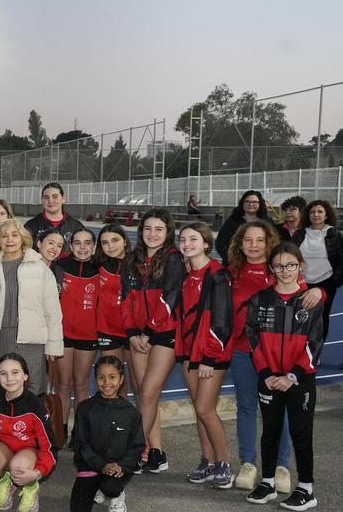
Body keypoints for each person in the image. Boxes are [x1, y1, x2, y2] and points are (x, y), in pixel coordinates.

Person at [226, 220, 316, 494]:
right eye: (248, 240)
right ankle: (249, 464)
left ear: (269, 243)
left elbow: (306, 293)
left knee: (284, 411)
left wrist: (319, 290)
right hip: (244, 352)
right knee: (247, 408)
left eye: (260, 240)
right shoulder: (231, 273)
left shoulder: (282, 269)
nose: (254, 245)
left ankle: (281, 466)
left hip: (281, 356)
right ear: (240, 243)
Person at [245, 243, 324, 511]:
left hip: (300, 379)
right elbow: (252, 339)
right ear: (271, 269)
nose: (285, 270)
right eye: (279, 266)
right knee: (270, 432)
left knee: (301, 433)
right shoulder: (260, 299)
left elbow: (315, 344)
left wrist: (292, 375)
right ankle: (267, 482)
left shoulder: (310, 300)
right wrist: (266, 373)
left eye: (291, 265)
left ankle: (306, 488)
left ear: (300, 265)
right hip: (268, 378)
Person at [121, 209, 183, 474]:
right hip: (138, 335)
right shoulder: (131, 260)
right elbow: (125, 299)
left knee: (147, 393)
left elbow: (170, 298)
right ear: (141, 231)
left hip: (163, 334)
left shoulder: (173, 259)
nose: (153, 234)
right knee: (146, 396)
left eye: (159, 229)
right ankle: (155, 452)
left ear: (168, 232)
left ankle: (133, 452)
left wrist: (147, 331)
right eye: (148, 228)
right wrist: (133, 333)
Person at [0, 218, 63, 397]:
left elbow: (52, 310)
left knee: (32, 393)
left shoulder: (40, 268)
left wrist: (54, 345)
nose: (9, 240)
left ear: (23, 238)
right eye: (4, 236)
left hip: (31, 341)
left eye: (15, 235)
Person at [174, 223, 234, 488]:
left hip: (211, 353)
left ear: (206, 243)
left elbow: (222, 320)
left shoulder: (217, 274)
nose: (187, 243)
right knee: (199, 409)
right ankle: (207, 462)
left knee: (204, 408)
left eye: (193, 239)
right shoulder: (187, 274)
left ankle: (223, 464)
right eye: (183, 239)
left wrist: (210, 357)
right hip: (189, 351)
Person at [0, 354, 55, 512]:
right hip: (4, 447)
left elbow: (49, 447)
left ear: (25, 375)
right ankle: (5, 482)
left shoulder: (35, 406)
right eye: (3, 373)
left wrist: (37, 472)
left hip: (29, 451)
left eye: (15, 372)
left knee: (19, 467)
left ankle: (31, 488)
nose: (9, 378)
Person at [70, 356, 145, 512]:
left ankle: (116, 494)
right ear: (95, 379)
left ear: (121, 379)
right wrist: (101, 465)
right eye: (101, 377)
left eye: (112, 377)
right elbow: (80, 442)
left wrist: (121, 466)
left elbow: (137, 446)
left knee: (111, 488)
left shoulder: (131, 413)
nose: (106, 383)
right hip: (91, 465)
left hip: (117, 469)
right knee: (79, 511)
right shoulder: (85, 408)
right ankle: (95, 486)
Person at [52, 228, 99, 442]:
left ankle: (80, 432)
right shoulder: (60, 266)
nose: (82, 247)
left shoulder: (100, 269)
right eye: (77, 243)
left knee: (81, 383)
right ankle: (59, 429)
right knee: (63, 383)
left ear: (94, 246)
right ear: (71, 247)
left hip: (88, 335)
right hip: (63, 334)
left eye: (87, 243)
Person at [293, 199, 343, 339]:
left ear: (326, 215)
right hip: (301, 283)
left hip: (326, 283)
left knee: (321, 318)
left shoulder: (334, 234)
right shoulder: (300, 233)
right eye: (313, 212)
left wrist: (335, 281)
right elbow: (290, 255)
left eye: (320, 211)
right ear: (308, 215)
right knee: (300, 317)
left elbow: (341, 260)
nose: (316, 214)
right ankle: (300, 350)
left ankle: (316, 352)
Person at [94, 224, 131, 367]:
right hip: (107, 330)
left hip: (132, 331)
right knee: (114, 379)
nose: (110, 246)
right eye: (105, 243)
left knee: (138, 383)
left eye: (115, 240)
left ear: (125, 241)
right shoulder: (98, 265)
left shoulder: (138, 265)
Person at [215, 190, 287, 262]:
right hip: (236, 263)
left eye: (255, 202)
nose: (251, 204)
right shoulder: (233, 221)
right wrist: (232, 259)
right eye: (247, 202)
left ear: (260, 204)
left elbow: (274, 241)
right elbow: (220, 243)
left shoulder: (267, 221)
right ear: (242, 203)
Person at [24, 182, 86, 254]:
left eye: (55, 196)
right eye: (46, 197)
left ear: (63, 198)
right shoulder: (31, 226)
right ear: (42, 200)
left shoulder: (76, 226)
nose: (50, 201)